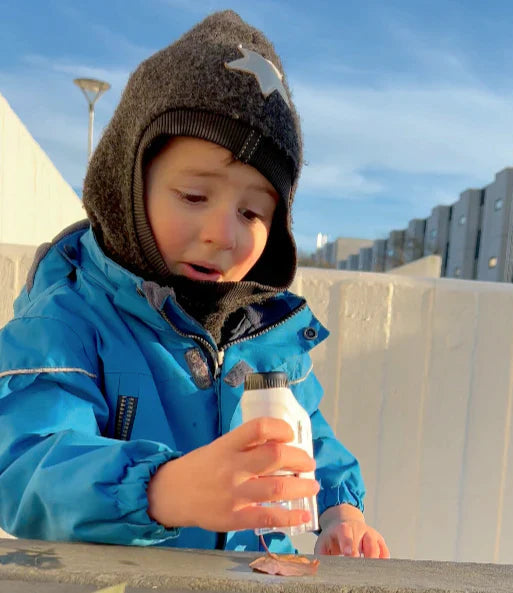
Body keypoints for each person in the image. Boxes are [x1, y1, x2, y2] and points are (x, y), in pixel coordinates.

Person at [0, 10, 389, 558]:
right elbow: (27, 463)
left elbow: (308, 435)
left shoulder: (266, 329)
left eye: (253, 212)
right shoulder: (68, 319)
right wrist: (160, 491)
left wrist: (339, 506)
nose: (221, 234)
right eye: (194, 197)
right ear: (127, 186)